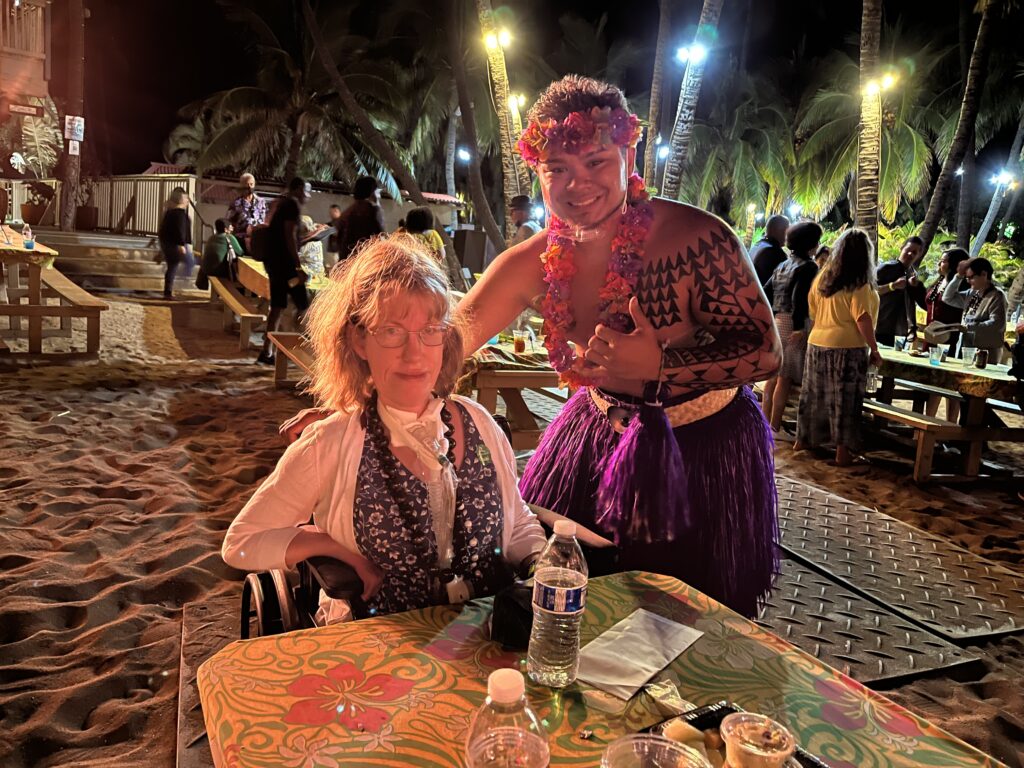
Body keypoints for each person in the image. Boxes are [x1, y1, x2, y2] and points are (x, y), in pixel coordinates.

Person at [280, 75, 782, 618]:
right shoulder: (533, 262)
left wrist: (659, 365)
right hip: (594, 428)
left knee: (684, 616)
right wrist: (349, 413)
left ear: (628, 152)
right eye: (558, 170)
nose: (578, 184)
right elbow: (444, 342)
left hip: (699, 446)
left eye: (596, 162)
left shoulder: (696, 238)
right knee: (548, 578)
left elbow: (765, 351)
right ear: (539, 171)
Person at [222, 235, 547, 621]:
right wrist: (325, 544)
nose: (414, 353)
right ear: (359, 339)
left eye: (430, 330)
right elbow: (241, 544)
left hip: (488, 632)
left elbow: (518, 520)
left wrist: (540, 561)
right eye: (391, 331)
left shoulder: (479, 422)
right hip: (380, 644)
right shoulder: (330, 442)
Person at [794, 229, 881, 467]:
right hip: (848, 346)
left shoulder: (823, 280)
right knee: (845, 400)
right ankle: (843, 452)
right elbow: (862, 318)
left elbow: (812, 311)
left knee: (813, 395)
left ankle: (803, 441)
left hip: (817, 342)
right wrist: (874, 349)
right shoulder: (860, 285)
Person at [762, 221, 822, 434]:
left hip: (777, 321)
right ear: (812, 244)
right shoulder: (808, 267)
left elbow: (766, 291)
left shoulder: (782, 265)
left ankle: (764, 424)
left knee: (772, 378)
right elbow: (799, 299)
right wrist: (799, 327)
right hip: (793, 323)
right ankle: (775, 426)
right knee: (784, 380)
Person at [256, 177, 312, 365]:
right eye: (307, 191)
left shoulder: (281, 204)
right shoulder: (292, 206)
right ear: (297, 189)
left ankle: (267, 351)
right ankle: (306, 351)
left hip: (274, 263)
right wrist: (298, 267)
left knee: (278, 307)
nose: (308, 196)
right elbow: (289, 235)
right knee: (304, 306)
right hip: (286, 266)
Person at [916, 247, 968, 421]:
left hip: (949, 338)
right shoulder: (938, 282)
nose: (940, 263)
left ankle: (950, 426)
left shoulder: (959, 286)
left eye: (944, 260)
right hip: (931, 336)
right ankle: (927, 420)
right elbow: (928, 305)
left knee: (950, 383)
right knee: (931, 382)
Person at [942, 256, 1008, 364]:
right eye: (966, 277)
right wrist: (958, 276)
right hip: (966, 349)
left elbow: (997, 324)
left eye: (971, 277)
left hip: (985, 354)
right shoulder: (972, 293)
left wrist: (968, 327)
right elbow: (947, 298)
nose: (968, 281)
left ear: (984, 274)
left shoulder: (997, 296)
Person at [875, 236, 925, 347]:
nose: (910, 254)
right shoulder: (886, 268)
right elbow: (869, 291)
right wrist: (892, 286)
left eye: (914, 252)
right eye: (908, 250)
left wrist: (916, 287)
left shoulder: (913, 275)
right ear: (902, 248)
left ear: (919, 255)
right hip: (880, 327)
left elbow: (921, 302)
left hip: (901, 333)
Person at [337, 176, 386, 262]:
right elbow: (381, 237)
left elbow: (339, 241)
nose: (379, 195)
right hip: (365, 263)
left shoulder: (346, 213)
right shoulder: (373, 210)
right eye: (378, 191)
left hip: (346, 263)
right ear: (372, 192)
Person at [158, 187, 193, 299]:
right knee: (185, 263)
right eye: (186, 198)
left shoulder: (170, 213)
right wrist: (181, 244)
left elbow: (164, 229)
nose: (188, 201)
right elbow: (180, 230)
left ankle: (169, 289)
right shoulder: (179, 214)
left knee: (173, 266)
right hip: (175, 244)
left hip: (167, 243)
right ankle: (175, 285)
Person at [226, 172, 268, 253]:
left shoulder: (261, 202)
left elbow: (264, 220)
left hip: (257, 239)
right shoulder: (235, 204)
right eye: (247, 184)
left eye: (251, 184)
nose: (249, 187)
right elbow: (229, 223)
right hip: (241, 240)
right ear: (241, 186)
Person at [750, 214, 790, 287]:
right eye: (787, 229)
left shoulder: (757, 245)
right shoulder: (774, 252)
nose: (788, 234)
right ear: (779, 230)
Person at [298, 214, 327, 279]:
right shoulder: (313, 236)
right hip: (317, 271)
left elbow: (297, 256)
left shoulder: (310, 241)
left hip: (311, 272)